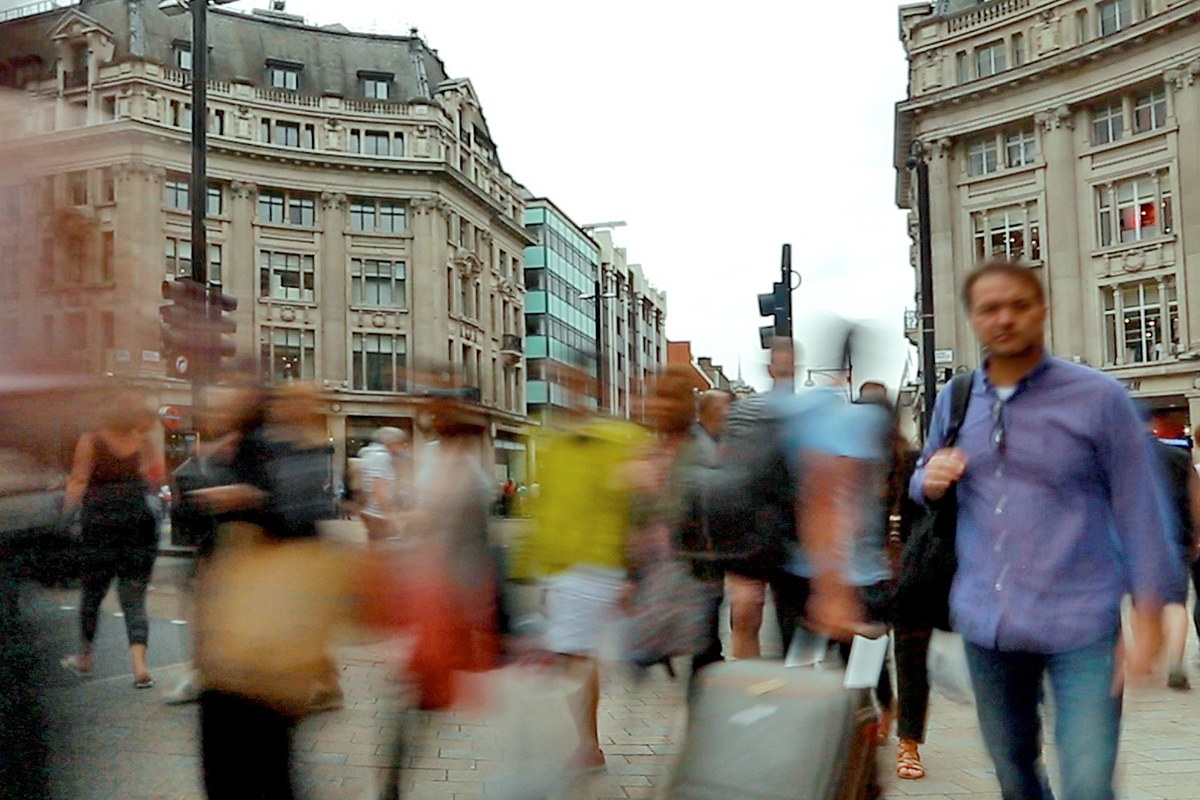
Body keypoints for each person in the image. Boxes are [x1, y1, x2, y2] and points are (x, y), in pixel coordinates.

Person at [912, 260, 1178, 800]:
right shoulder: (956, 399)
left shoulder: (1099, 398)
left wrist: (1151, 609)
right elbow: (922, 477)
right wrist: (930, 478)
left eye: (1019, 304)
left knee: (1087, 779)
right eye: (990, 308)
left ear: (1043, 311)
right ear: (973, 318)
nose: (1004, 318)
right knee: (1013, 769)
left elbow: (1141, 504)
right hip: (988, 620)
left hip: (1080, 621)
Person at [522, 373, 651, 772]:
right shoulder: (553, 445)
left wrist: (634, 573)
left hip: (600, 566)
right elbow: (544, 510)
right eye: (569, 388)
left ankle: (589, 746)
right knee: (575, 655)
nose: (573, 395)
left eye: (581, 387)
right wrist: (534, 569)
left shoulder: (620, 440)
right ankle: (588, 744)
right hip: (564, 567)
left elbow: (639, 502)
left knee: (576, 655)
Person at [60, 398, 162, 689]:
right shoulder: (143, 441)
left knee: (92, 593)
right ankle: (140, 667)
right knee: (134, 596)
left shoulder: (91, 439)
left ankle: (85, 658)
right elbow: (154, 477)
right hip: (136, 519)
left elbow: (79, 480)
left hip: (100, 521)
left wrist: (66, 515)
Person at [1143, 410, 1200, 690]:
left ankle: (1147, 659)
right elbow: (1195, 499)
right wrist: (1196, 537)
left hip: (1134, 540)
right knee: (1176, 604)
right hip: (1175, 536)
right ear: (1153, 425)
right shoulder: (1180, 457)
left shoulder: (1119, 458)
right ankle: (1175, 661)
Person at [357, 426, 410, 543]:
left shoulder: (370, 455)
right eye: (401, 444)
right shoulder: (381, 457)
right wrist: (390, 517)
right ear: (393, 442)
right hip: (378, 515)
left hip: (370, 512)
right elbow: (379, 489)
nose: (402, 448)